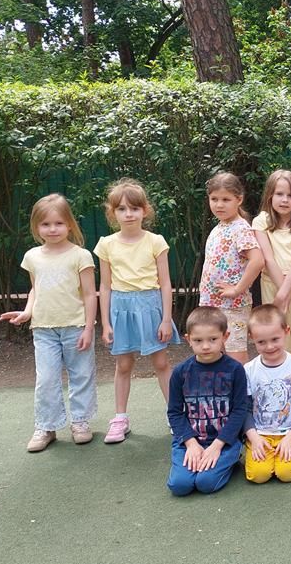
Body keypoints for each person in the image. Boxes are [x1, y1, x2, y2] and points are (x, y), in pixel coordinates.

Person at [0, 194, 98, 452]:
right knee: (46, 379)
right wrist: (27, 312)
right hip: (43, 329)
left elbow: (90, 294)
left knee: (81, 375)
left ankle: (80, 421)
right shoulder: (32, 256)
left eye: (58, 223)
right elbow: (36, 289)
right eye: (45, 224)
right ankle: (46, 426)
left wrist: (89, 328)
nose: (52, 229)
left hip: (76, 327)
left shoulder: (81, 256)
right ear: (36, 227)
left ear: (70, 224)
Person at [94, 179, 181, 443]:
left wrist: (166, 319)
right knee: (123, 364)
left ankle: (175, 415)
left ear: (145, 210)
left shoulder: (156, 241)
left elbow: (165, 283)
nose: (128, 214)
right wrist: (106, 323)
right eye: (121, 209)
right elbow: (105, 286)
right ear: (113, 213)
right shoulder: (106, 244)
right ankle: (120, 418)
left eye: (134, 208)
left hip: (151, 307)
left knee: (161, 363)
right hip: (121, 309)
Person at [166, 307, 249, 496]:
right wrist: (191, 443)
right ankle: (196, 460)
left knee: (206, 483)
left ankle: (231, 460)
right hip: (189, 440)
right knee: (180, 486)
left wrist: (217, 446)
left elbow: (239, 410)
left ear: (225, 337)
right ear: (188, 339)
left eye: (213, 339)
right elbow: (175, 412)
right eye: (198, 340)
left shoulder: (235, 370)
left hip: (224, 441)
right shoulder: (180, 372)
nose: (205, 346)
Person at [243, 305, 291, 483]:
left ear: (286, 331)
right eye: (261, 342)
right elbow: (244, 408)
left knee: (287, 473)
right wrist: (254, 438)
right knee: (258, 475)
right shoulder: (249, 370)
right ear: (252, 338)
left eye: (275, 339)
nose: (269, 346)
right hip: (260, 434)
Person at [199, 172, 264, 365]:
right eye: (214, 199)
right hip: (212, 305)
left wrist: (237, 289)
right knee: (215, 353)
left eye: (226, 199)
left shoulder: (241, 228)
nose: (219, 205)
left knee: (236, 355)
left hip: (233, 306)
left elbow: (257, 261)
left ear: (239, 199)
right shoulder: (218, 228)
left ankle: (241, 386)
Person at [252, 169, 291, 355]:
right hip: (271, 283)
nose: (285, 200)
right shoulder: (260, 221)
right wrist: (282, 293)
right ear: (270, 195)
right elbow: (268, 258)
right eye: (279, 194)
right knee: (277, 335)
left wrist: (284, 293)